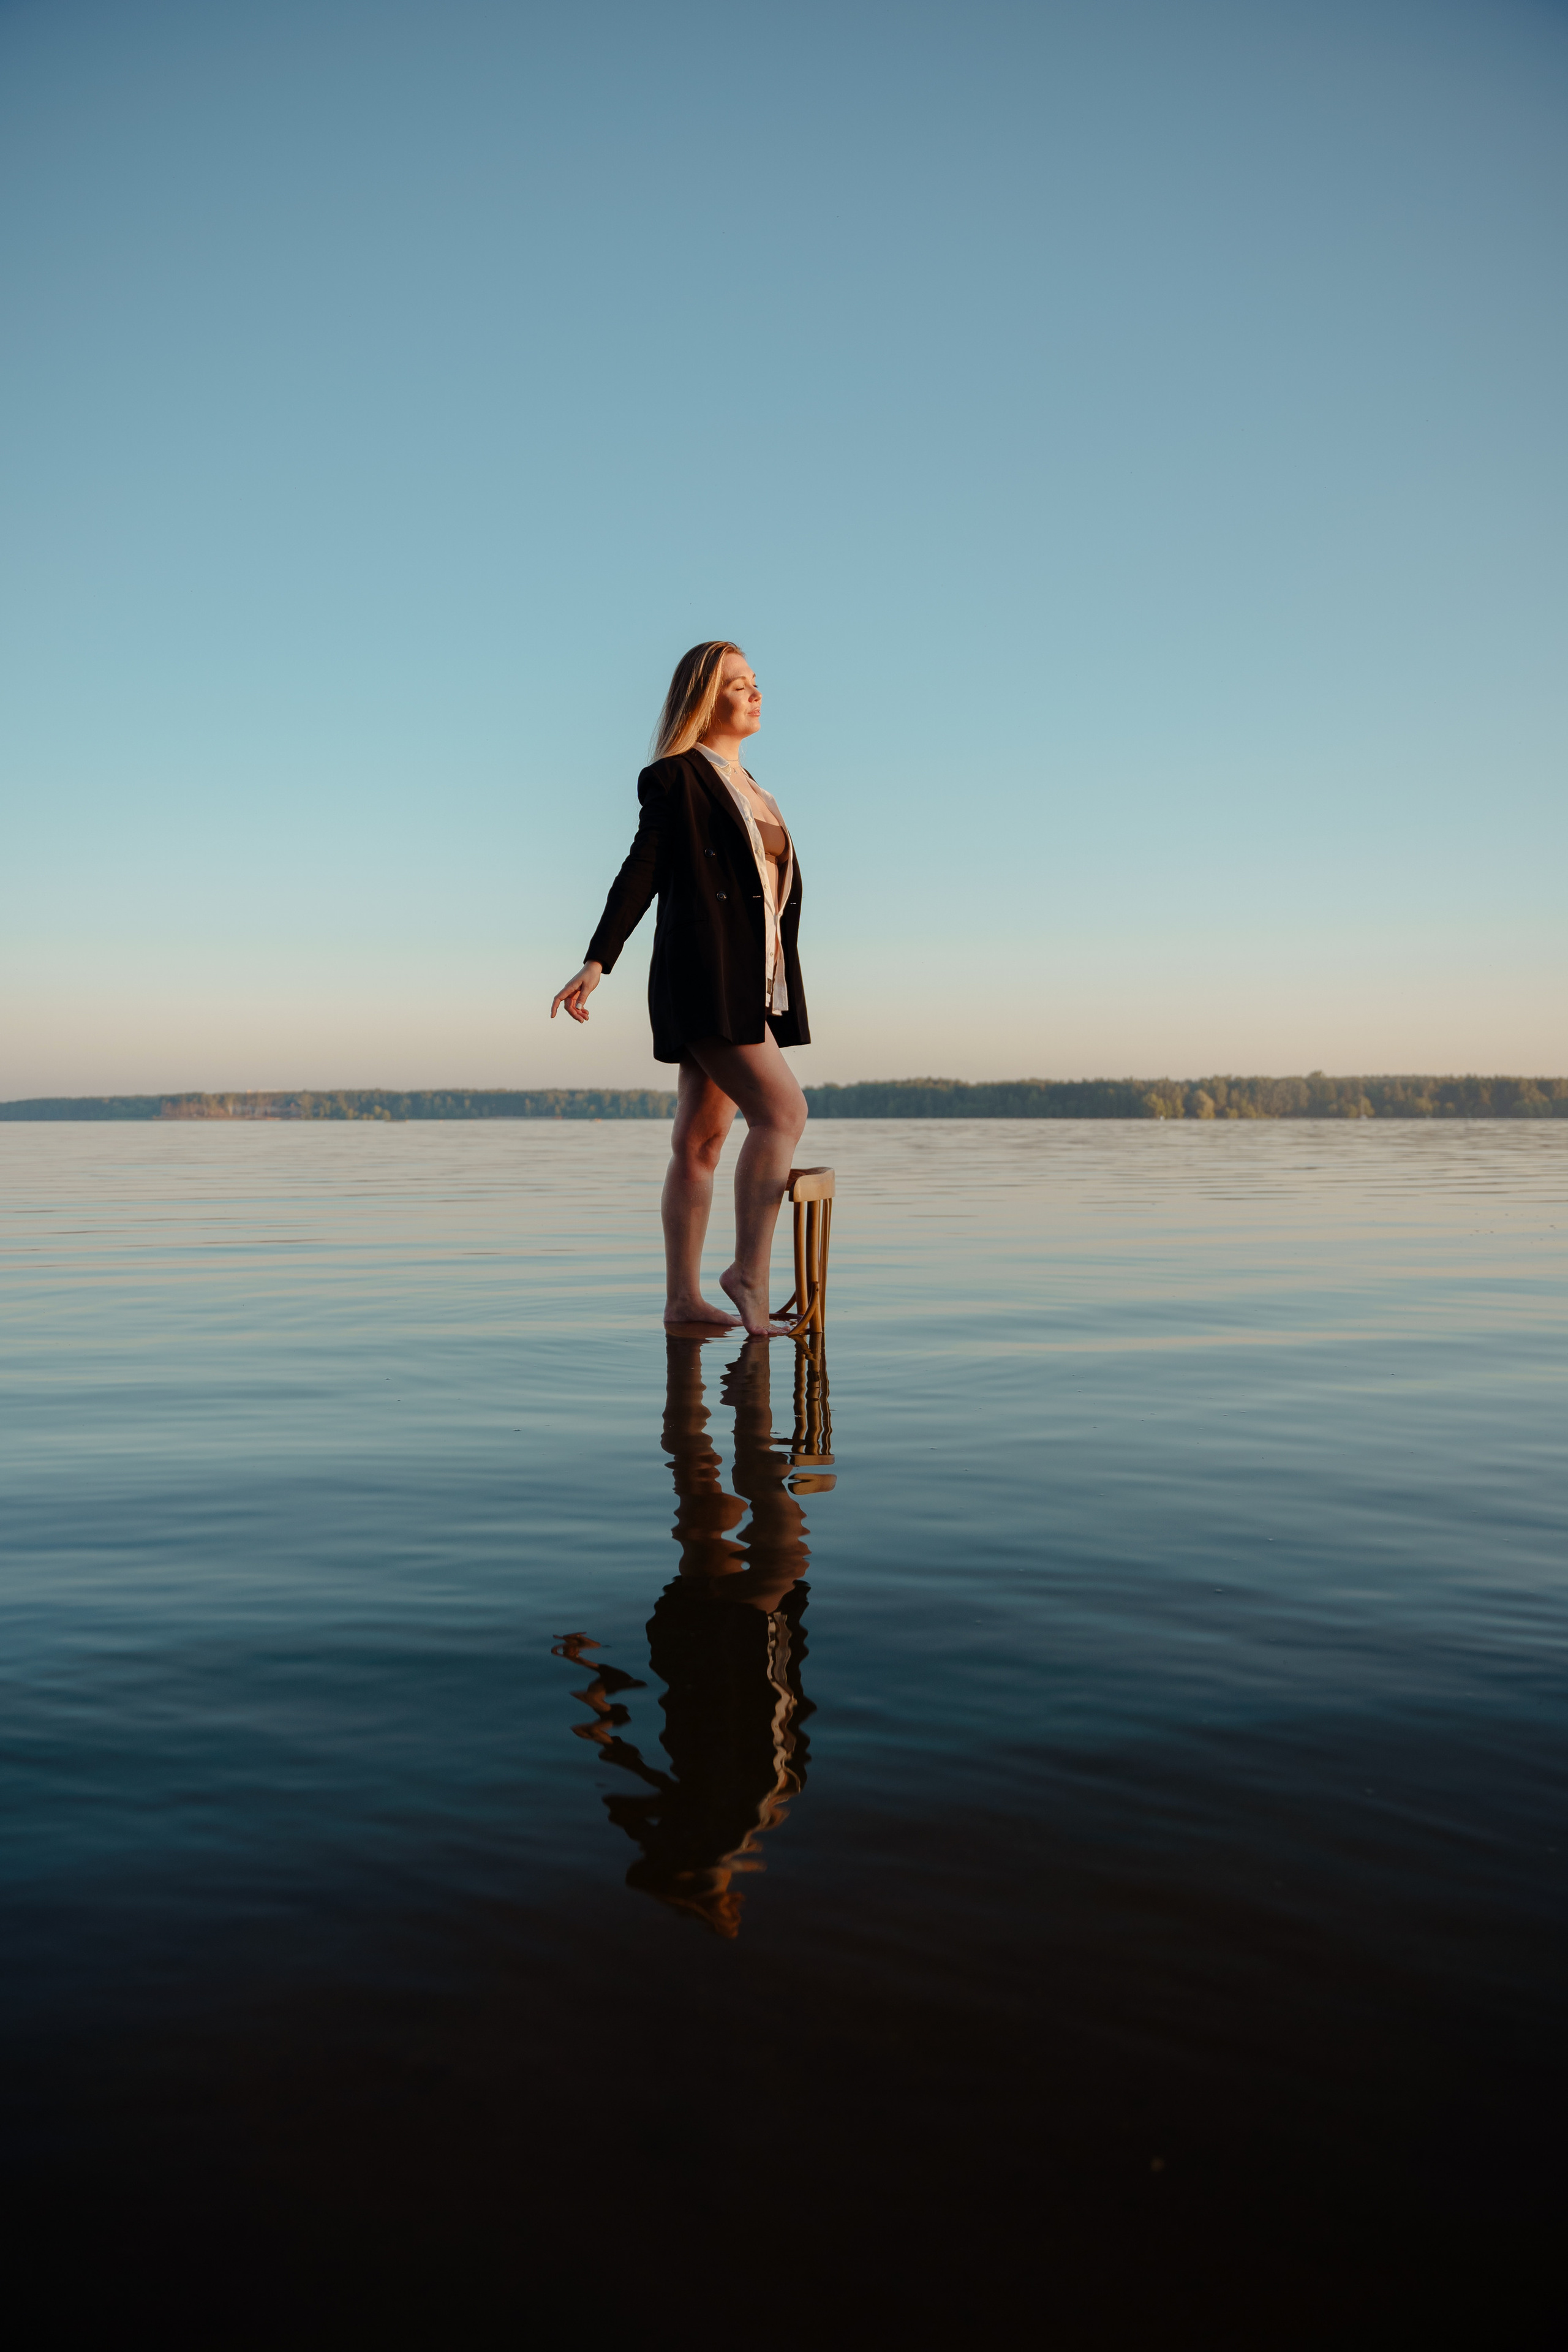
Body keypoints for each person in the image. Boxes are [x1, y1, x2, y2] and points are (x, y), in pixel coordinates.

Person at [551, 643, 810, 1336]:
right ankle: (748, 1275)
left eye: (755, 681)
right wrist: (598, 960)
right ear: (703, 697)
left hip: (750, 984)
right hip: (703, 976)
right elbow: (642, 869)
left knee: (700, 1142)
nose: (754, 692)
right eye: (737, 684)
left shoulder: (756, 788)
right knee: (783, 1111)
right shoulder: (675, 777)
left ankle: (682, 1302)